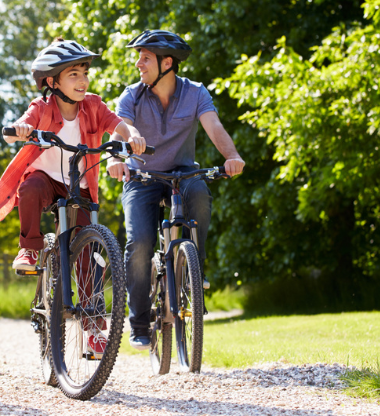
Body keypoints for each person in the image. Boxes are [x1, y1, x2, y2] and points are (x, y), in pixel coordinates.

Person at [0, 38, 145, 356]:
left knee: (90, 253)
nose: (83, 80)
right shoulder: (42, 107)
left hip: (78, 184)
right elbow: (25, 121)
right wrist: (21, 129)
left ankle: (94, 329)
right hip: (45, 179)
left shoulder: (94, 105)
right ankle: (29, 249)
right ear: (52, 81)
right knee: (28, 190)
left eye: (85, 72)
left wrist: (133, 136)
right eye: (74, 74)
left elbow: (116, 124)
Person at [106, 30, 245, 350]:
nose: (138, 63)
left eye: (145, 58)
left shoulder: (195, 93)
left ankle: (194, 269)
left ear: (166, 63)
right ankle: (139, 322)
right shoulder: (131, 95)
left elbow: (214, 126)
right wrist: (117, 158)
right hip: (141, 175)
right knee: (140, 242)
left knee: (199, 194)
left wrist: (232, 157)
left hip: (182, 172)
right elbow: (122, 128)